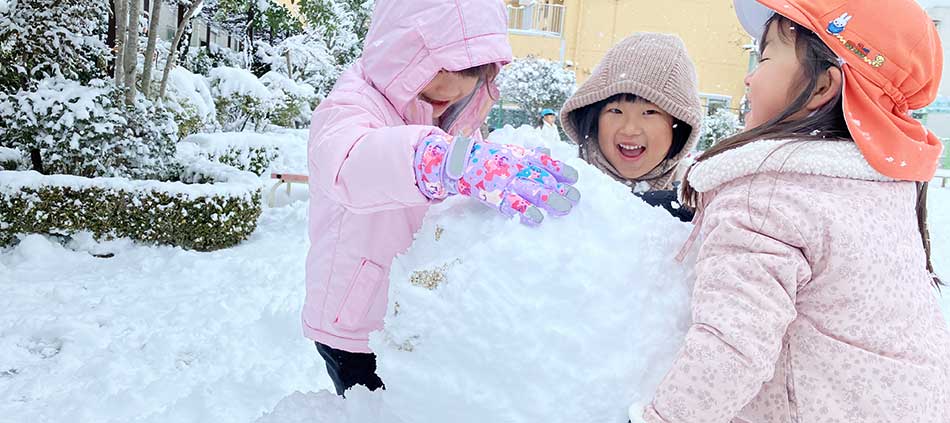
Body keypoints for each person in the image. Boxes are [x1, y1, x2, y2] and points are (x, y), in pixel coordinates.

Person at [631, 1, 950, 421]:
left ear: (821, 88)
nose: (749, 76)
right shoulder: (879, 191)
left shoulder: (768, 196)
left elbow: (732, 346)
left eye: (763, 57)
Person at [304, 0, 580, 397]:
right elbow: (347, 163)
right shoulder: (351, 104)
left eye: (470, 71)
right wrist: (434, 161)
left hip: (412, 315)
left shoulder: (456, 119)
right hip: (356, 325)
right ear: (400, 52)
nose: (450, 90)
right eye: (435, 68)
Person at [560, 32, 703, 222]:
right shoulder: (564, 180)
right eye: (616, 111)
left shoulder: (699, 196)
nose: (629, 129)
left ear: (678, 126)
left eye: (649, 112)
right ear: (594, 119)